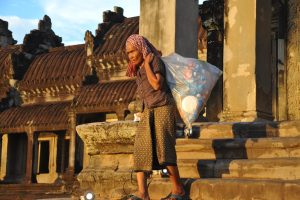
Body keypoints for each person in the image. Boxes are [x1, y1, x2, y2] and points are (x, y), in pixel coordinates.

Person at [125, 34, 186, 200]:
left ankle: (178, 189)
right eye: (128, 53)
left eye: (133, 51)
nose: (130, 56)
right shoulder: (138, 69)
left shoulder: (154, 60)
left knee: (164, 150)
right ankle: (143, 194)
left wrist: (147, 65)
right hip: (149, 111)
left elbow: (157, 84)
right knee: (140, 150)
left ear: (141, 48)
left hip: (163, 107)